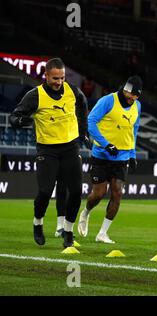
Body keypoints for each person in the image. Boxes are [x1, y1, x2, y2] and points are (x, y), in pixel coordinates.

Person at [9, 57, 89, 248]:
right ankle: (38, 223)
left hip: (70, 147)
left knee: (76, 192)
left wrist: (83, 131)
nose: (59, 82)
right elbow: (14, 117)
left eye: (62, 78)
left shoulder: (72, 91)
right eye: (55, 78)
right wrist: (23, 121)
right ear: (46, 76)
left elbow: (83, 104)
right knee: (45, 191)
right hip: (47, 149)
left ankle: (68, 232)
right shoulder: (34, 95)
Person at [77, 76, 142, 244]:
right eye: (132, 94)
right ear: (126, 90)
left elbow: (134, 129)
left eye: (137, 96)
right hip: (101, 154)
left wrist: (133, 154)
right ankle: (86, 211)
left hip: (122, 156)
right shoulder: (108, 101)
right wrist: (106, 145)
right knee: (98, 193)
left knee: (117, 193)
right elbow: (91, 122)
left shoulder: (137, 106)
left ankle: (102, 233)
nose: (133, 98)